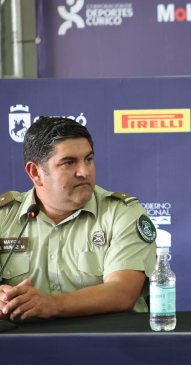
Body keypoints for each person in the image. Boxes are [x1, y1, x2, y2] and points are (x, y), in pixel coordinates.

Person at [0, 117, 156, 321]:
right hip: (22, 339)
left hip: (106, 338)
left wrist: (51, 304)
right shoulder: (4, 216)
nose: (84, 172)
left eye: (88, 159)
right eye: (69, 162)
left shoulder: (122, 213)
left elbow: (122, 292)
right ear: (35, 172)